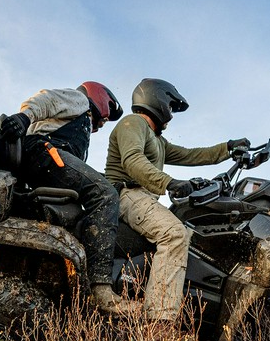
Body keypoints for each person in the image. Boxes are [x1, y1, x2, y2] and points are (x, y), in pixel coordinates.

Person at [104, 78, 250, 322]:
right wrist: (169, 183)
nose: (170, 114)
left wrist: (228, 148)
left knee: (185, 231)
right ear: (157, 99)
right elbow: (133, 160)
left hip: (144, 197)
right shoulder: (133, 123)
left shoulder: (158, 141)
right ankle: (160, 320)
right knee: (174, 234)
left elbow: (192, 155)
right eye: (170, 107)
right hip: (127, 194)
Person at [0, 82, 137, 316]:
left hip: (47, 158)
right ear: (102, 100)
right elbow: (46, 100)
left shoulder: (74, 123)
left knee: (99, 193)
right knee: (105, 195)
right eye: (104, 119)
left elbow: (77, 170)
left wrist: (109, 180)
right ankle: (101, 287)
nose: (100, 126)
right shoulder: (78, 99)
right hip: (44, 151)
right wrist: (23, 117)